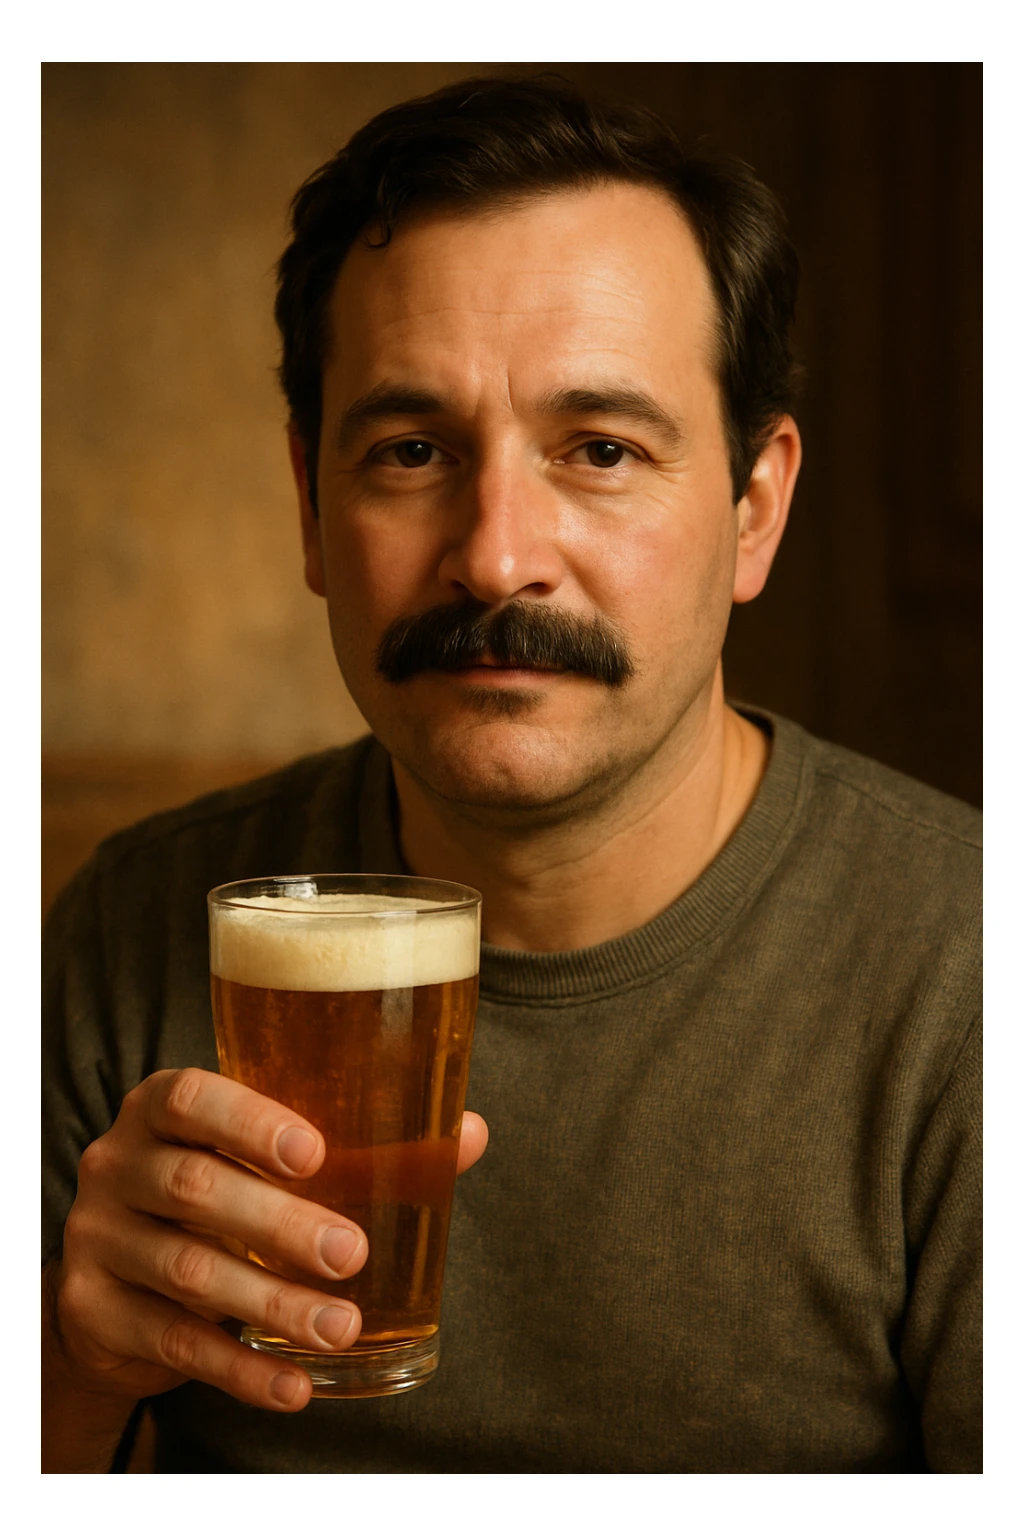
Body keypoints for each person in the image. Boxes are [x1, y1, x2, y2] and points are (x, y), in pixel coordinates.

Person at [42, 75, 981, 1474]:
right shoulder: (130, 928)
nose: (493, 554)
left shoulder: (975, 970)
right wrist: (68, 1378)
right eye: (411, 451)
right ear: (311, 506)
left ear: (753, 511)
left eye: (600, 450)